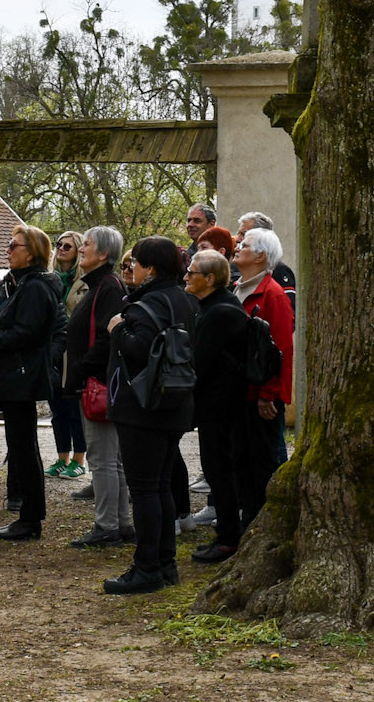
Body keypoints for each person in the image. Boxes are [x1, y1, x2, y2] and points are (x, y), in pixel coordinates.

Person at [102, 235, 201, 593]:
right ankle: (165, 564)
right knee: (159, 485)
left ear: (152, 268)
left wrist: (117, 330)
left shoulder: (152, 302)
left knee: (144, 488)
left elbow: (139, 348)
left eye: (137, 263)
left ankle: (146, 568)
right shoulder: (184, 300)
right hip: (174, 402)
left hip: (143, 405)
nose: (132, 268)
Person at [0, 225, 63, 541]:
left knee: (24, 449)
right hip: (15, 375)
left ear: (30, 253)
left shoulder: (35, 287)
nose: (8, 249)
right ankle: (30, 516)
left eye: (13, 245)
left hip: (20, 376)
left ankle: (30, 518)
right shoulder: (26, 284)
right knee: (22, 447)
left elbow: (24, 332)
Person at [185, 248, 258, 562]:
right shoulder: (216, 307)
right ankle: (227, 535)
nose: (186, 276)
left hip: (221, 407)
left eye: (192, 272)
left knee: (220, 470)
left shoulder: (219, 312)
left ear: (210, 278)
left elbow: (199, 362)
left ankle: (228, 539)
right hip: (219, 404)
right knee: (219, 470)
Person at [62, 225, 131, 547]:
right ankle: (120, 523)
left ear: (104, 253)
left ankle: (107, 527)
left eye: (87, 244)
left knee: (103, 459)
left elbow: (107, 337)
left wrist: (80, 368)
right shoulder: (99, 286)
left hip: (97, 384)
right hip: (95, 381)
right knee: (109, 458)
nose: (81, 249)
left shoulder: (108, 287)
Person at [232, 228, 295, 476]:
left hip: (260, 396)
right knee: (241, 458)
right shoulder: (238, 288)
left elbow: (279, 347)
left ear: (260, 256)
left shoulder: (273, 294)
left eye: (244, 245)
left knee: (262, 459)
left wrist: (268, 394)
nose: (237, 246)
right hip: (241, 390)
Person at [46, 231, 88, 480]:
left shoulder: (84, 283)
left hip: (73, 353)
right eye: (59, 245)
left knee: (73, 408)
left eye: (68, 246)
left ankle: (78, 459)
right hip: (52, 350)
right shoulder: (50, 279)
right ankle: (62, 456)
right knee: (56, 407)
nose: (61, 249)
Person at [236, 211, 297, 301]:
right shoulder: (240, 269)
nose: (237, 239)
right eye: (238, 233)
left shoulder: (279, 270)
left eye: (243, 234)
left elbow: (287, 308)